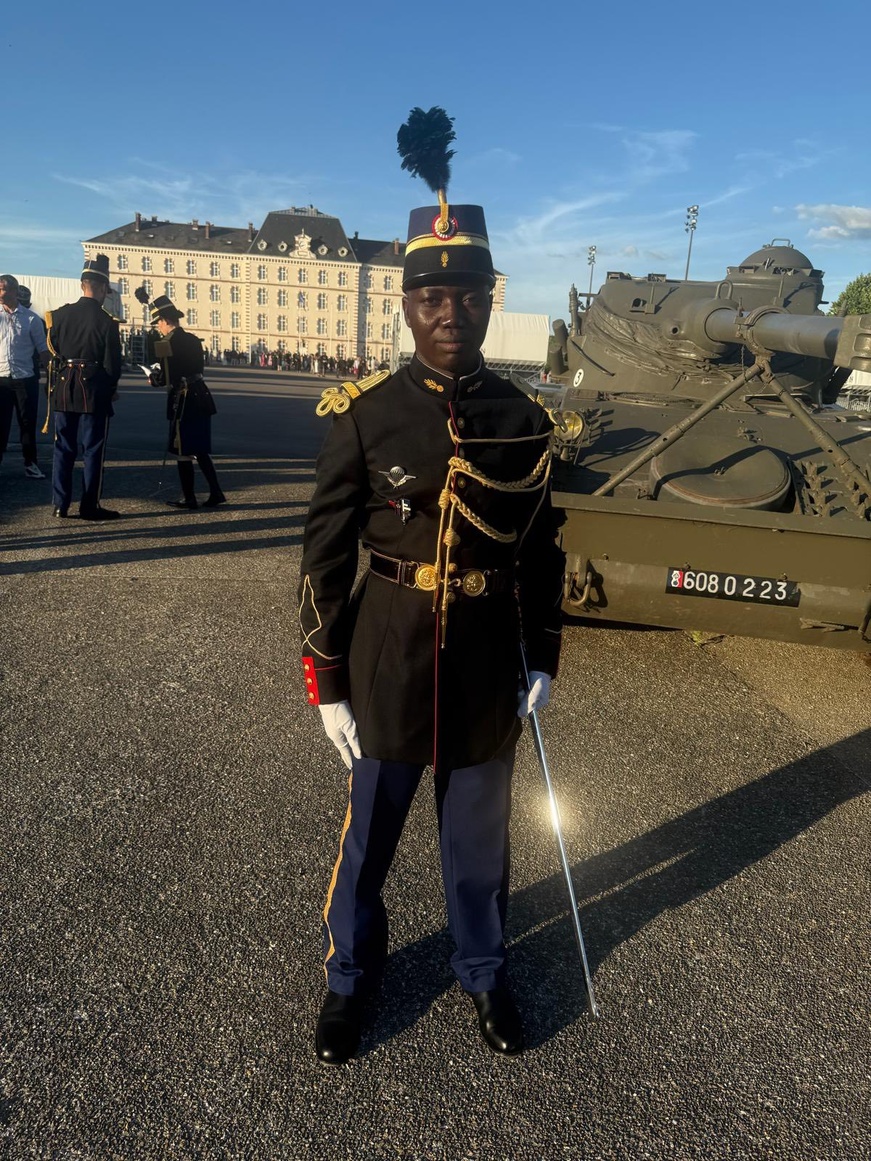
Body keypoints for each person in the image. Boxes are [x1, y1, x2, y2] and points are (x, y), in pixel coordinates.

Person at [298, 193, 565, 1064]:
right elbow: (325, 554)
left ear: (491, 297)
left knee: (479, 844)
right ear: (406, 305)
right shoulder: (365, 413)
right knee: (368, 836)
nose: (450, 315)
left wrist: (545, 653)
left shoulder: (522, 419)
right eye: (430, 299)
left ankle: (484, 972)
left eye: (469, 296)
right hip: (387, 659)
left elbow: (539, 550)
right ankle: (348, 980)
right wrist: (325, 676)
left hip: (486, 660)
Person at [46, 255, 122, 519]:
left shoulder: (58, 315)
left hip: (65, 387)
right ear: (102, 288)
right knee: (93, 450)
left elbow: (52, 351)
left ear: (82, 285)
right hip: (94, 390)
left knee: (63, 447)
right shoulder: (107, 323)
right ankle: (90, 505)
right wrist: (111, 388)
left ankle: (60, 504)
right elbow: (113, 365)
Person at [146, 295, 226, 510]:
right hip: (201, 393)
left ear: (164, 321)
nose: (158, 328)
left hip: (183, 399)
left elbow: (166, 378)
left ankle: (189, 497)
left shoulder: (166, 343)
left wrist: (153, 378)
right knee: (200, 448)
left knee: (182, 449)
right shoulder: (192, 339)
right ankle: (216, 491)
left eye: (158, 324)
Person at [0, 274, 49, 479]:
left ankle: (30, 463)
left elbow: (42, 349)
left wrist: (51, 375)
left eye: (2, 289)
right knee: (0, 424)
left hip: (25, 378)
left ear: (13, 291)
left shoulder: (31, 319)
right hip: (1, 377)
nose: (0, 293)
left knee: (27, 423)